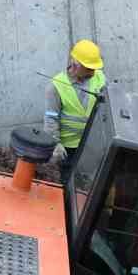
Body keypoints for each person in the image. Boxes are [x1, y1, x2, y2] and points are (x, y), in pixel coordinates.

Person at [45, 39, 106, 179]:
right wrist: (55, 144)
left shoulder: (100, 78)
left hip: (92, 144)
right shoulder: (55, 87)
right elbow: (51, 118)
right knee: (69, 181)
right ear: (75, 64)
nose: (93, 71)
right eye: (89, 68)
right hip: (69, 148)